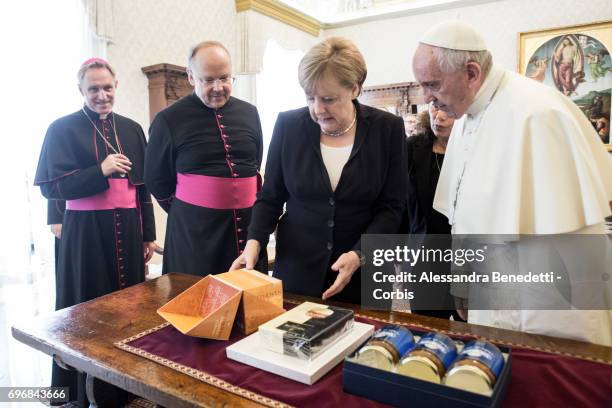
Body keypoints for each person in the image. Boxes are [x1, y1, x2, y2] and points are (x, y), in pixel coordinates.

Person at [412, 21, 612, 345]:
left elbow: (570, 246)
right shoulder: (465, 117)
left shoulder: (539, 114)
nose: (427, 98)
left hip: (545, 305)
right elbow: (462, 219)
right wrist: (462, 284)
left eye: (432, 84)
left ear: (472, 74)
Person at [230, 37, 407, 304]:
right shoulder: (288, 125)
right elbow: (271, 197)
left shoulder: (388, 129)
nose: (317, 109)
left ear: (355, 89)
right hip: (297, 270)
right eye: (310, 97)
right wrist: (254, 242)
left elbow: (393, 207)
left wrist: (359, 254)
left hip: (362, 274)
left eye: (328, 99)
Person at [34, 58, 156, 405]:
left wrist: (147, 233)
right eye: (93, 89)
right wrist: (99, 170)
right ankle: (73, 392)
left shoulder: (132, 129)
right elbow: (51, 188)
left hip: (128, 230)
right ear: (81, 91)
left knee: (130, 311)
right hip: (86, 235)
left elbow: (141, 186)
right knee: (84, 314)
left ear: (116, 85)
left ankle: (124, 387)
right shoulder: (62, 129)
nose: (102, 95)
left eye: (107, 87)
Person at [145, 41, 266, 277]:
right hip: (195, 233)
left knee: (252, 304)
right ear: (191, 77)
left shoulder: (249, 112)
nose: (218, 87)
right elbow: (156, 178)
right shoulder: (168, 119)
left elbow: (254, 164)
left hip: (248, 227)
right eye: (208, 80)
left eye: (225, 78)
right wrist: (190, 210)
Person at [404, 104, 462, 320]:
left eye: (447, 110)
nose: (439, 116)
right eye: (434, 107)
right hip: (423, 259)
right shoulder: (412, 148)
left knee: (470, 334)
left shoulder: (476, 151)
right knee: (427, 332)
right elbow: (400, 207)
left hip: (466, 259)